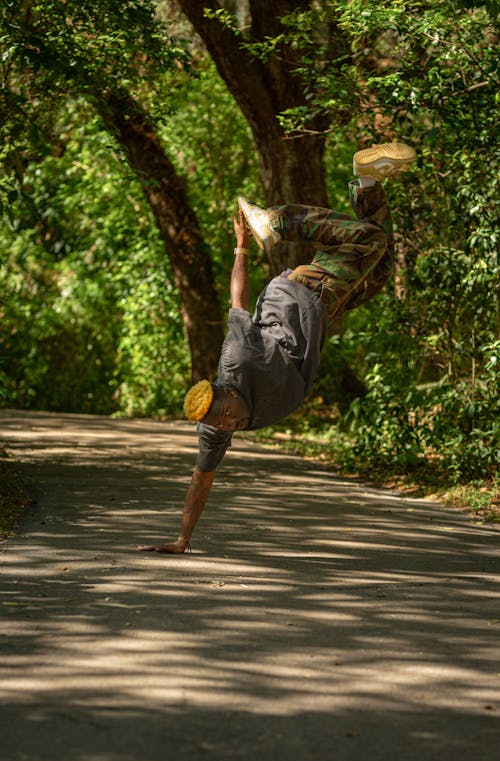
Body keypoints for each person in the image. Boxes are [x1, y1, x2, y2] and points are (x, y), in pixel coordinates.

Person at [138, 142, 416, 554]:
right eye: (227, 425)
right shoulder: (214, 430)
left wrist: (242, 247)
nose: (233, 423)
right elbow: (201, 479)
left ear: (225, 395)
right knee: (383, 265)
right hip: (323, 311)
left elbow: (238, 299)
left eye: (228, 415)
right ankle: (368, 180)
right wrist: (182, 539)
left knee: (370, 241)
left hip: (304, 292)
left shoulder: (237, 356)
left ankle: (277, 220)